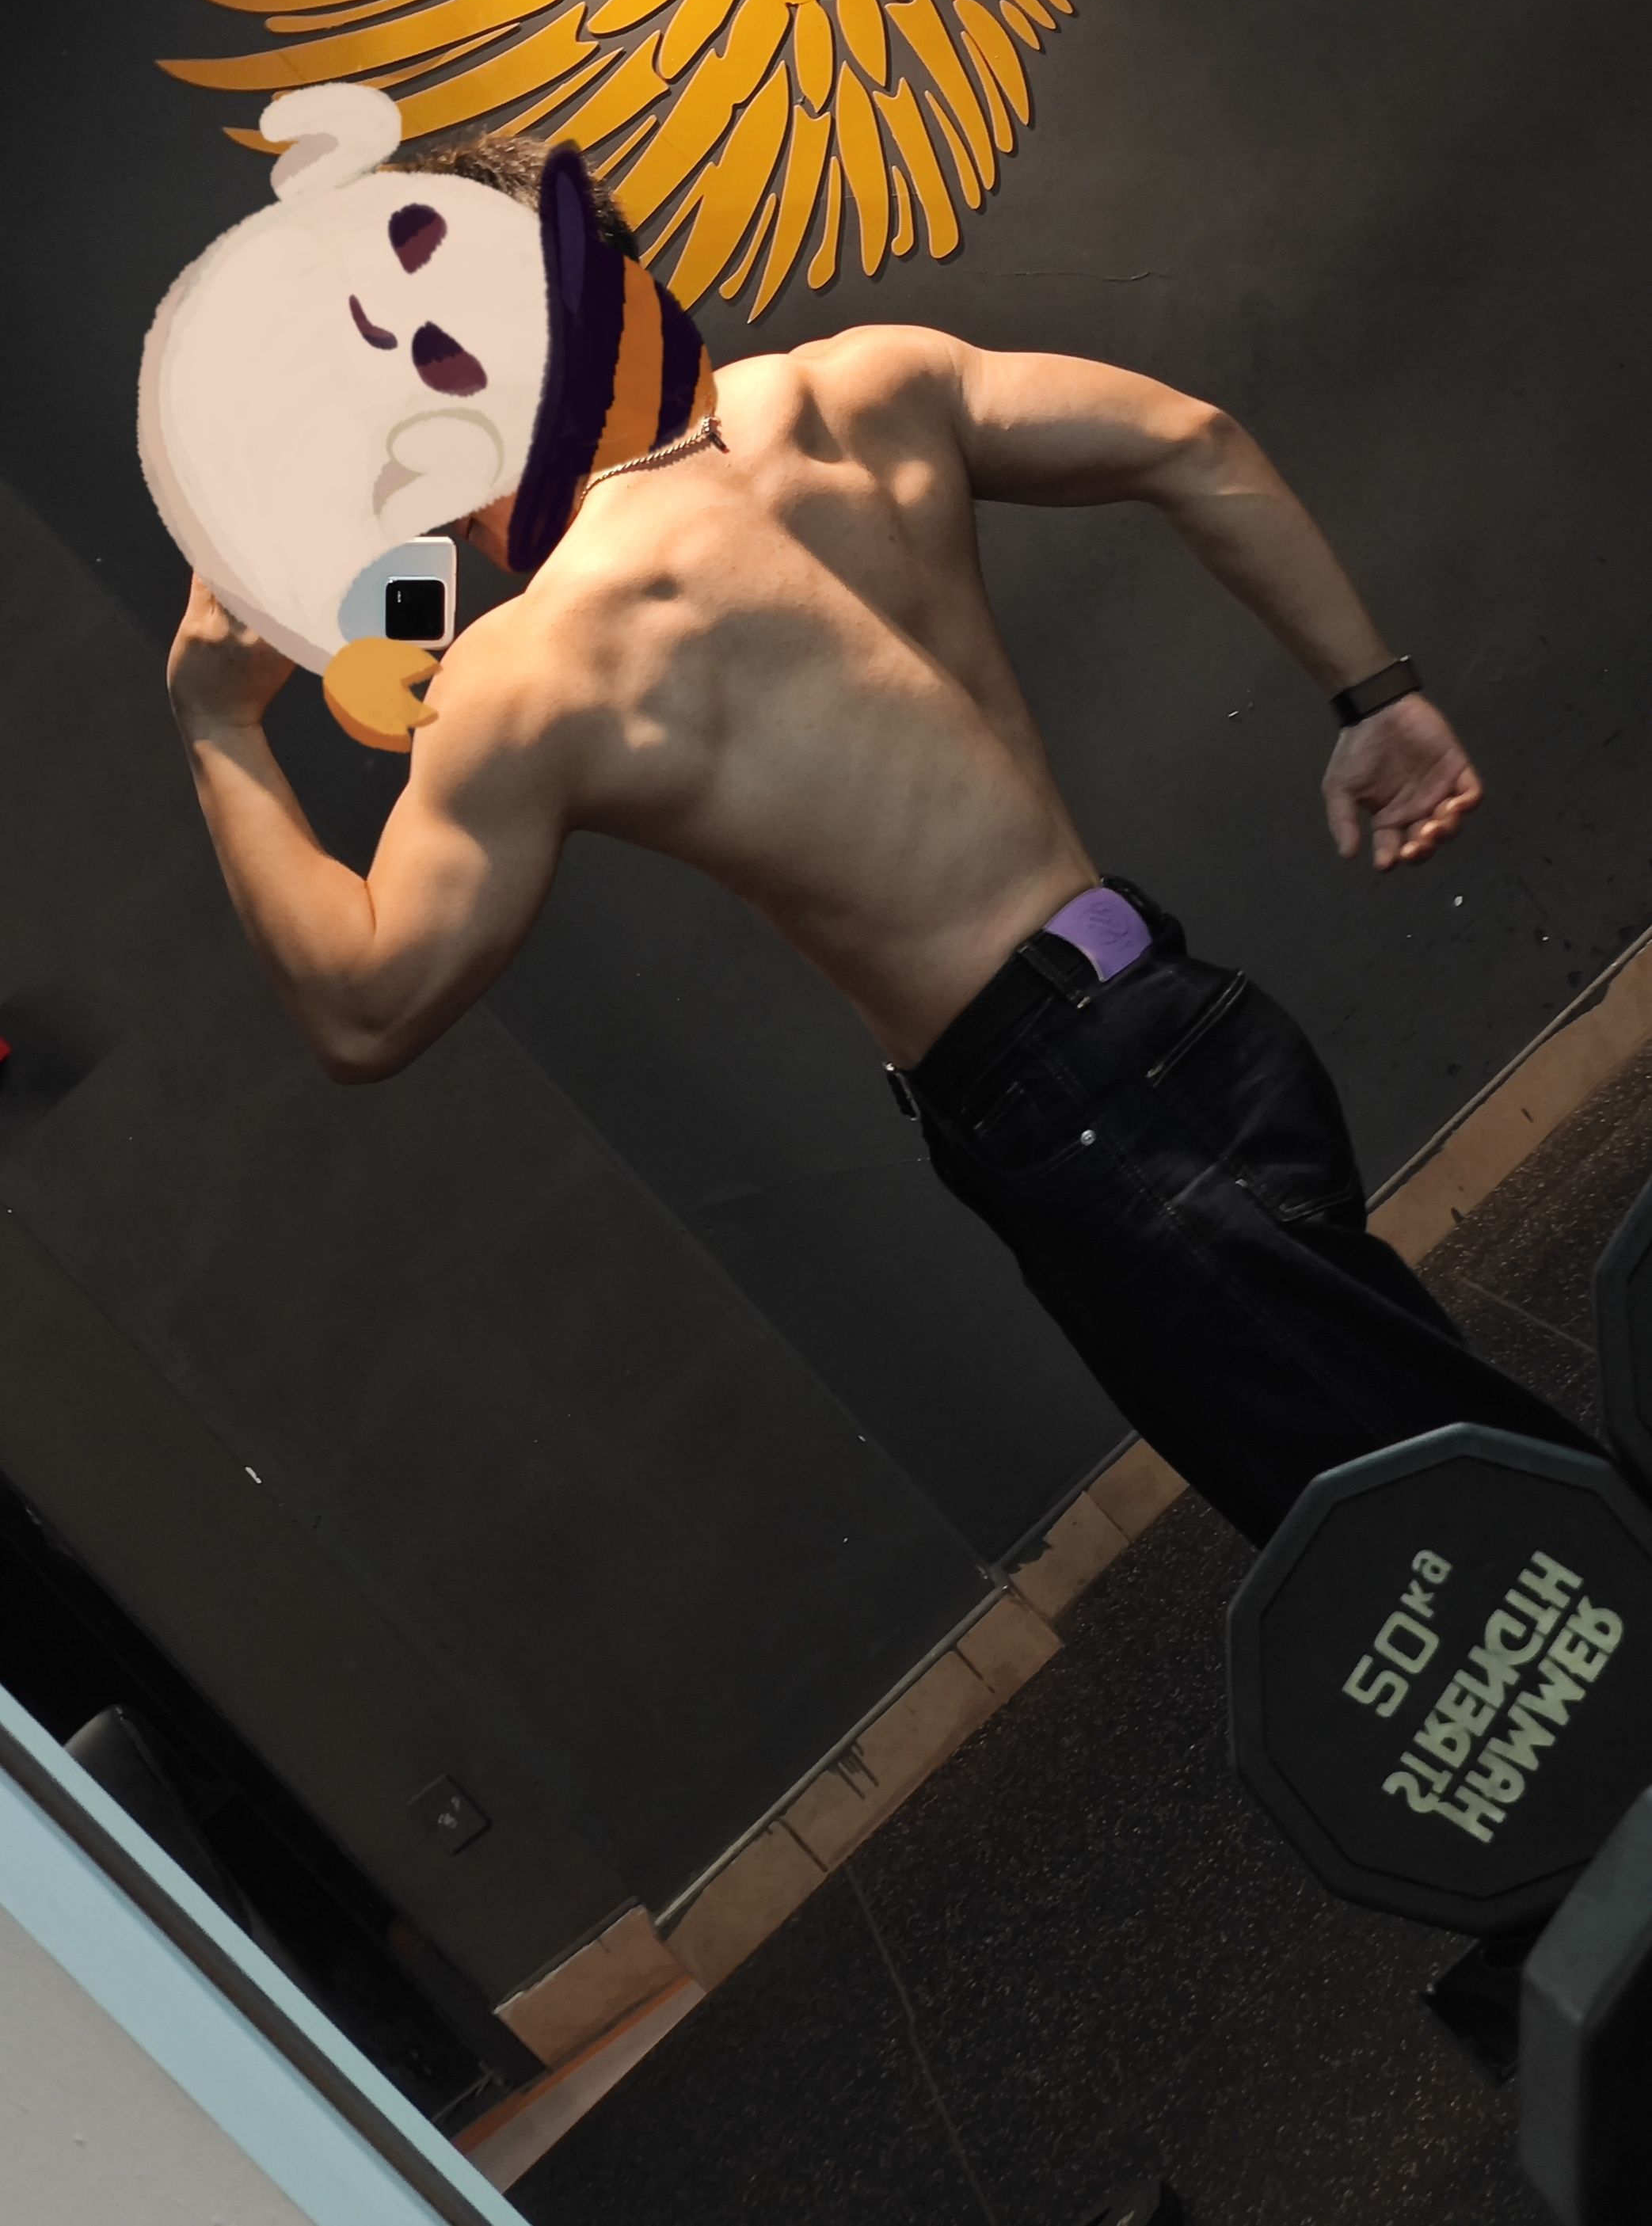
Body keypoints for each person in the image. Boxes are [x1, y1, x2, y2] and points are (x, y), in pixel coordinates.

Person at [164, 133, 1596, 1546]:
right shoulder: (859, 383)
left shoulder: (541, 669)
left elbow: (366, 1007)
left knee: (1453, 1556)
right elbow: (1190, 441)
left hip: (1079, 1119)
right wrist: (1373, 699)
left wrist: (217, 720)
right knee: (1445, 1505)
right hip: (1177, 1016)